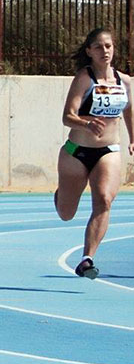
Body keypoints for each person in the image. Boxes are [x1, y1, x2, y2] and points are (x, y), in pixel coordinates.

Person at [55, 27, 134, 278]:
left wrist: (133, 138)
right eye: (98, 47)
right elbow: (67, 116)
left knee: (104, 200)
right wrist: (86, 123)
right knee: (66, 214)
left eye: (108, 46)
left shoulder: (126, 82)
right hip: (76, 152)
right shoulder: (85, 78)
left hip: (108, 151)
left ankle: (87, 258)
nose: (104, 51)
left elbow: (128, 111)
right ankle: (61, 195)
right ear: (89, 51)